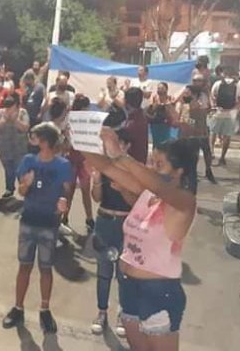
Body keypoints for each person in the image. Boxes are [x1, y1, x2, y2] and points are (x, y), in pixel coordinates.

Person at [82, 129, 198, 351]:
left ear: (179, 172)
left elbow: (158, 184)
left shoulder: (184, 202)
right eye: (151, 161)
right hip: (129, 286)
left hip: (158, 292)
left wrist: (121, 155)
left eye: (159, 164)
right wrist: (80, 140)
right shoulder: (148, 194)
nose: (151, 168)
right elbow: (107, 168)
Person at [2, 123, 72, 333]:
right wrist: (27, 184)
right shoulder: (28, 161)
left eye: (35, 137)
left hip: (49, 223)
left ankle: (44, 309)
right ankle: (18, 307)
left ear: (44, 141)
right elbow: (21, 191)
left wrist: (64, 203)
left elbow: (67, 192)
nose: (31, 139)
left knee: (45, 268)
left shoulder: (63, 165)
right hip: (28, 220)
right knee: (24, 265)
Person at [89, 128, 134, 337]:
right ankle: (101, 312)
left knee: (123, 274)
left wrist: (123, 189)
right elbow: (96, 197)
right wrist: (97, 180)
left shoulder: (134, 169)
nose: (115, 148)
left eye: (120, 144)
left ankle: (122, 314)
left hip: (125, 223)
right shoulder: (103, 166)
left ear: (127, 146)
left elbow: (134, 202)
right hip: (105, 220)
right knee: (103, 272)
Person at [66, 95, 95, 233]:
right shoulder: (71, 119)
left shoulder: (87, 120)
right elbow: (68, 139)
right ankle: (64, 217)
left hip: (83, 159)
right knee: (69, 191)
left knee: (84, 190)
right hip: (75, 158)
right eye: (86, 107)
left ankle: (89, 218)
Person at [0, 95, 30, 198]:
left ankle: (25, 191)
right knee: (8, 169)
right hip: (4, 146)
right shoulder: (1, 112)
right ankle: (9, 189)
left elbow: (25, 127)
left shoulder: (23, 112)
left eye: (10, 107)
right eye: (6, 106)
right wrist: (4, 120)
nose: (7, 109)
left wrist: (15, 121)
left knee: (20, 170)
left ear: (17, 106)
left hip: (19, 148)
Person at [210, 67, 240, 165]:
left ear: (224, 73)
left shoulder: (218, 83)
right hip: (231, 114)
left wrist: (214, 107)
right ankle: (222, 157)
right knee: (227, 135)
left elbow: (213, 96)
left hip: (218, 112)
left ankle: (212, 153)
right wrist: (234, 110)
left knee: (213, 132)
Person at [146, 82, 175, 148]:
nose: (160, 90)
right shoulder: (154, 98)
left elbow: (172, 110)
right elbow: (151, 109)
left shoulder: (170, 98)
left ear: (166, 89)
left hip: (166, 124)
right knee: (156, 142)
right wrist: (156, 105)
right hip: (155, 123)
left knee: (165, 142)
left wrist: (167, 105)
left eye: (162, 88)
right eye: (158, 88)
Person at [124, 87, 149, 164]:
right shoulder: (142, 116)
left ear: (126, 102)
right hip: (140, 161)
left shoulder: (132, 124)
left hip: (131, 164)